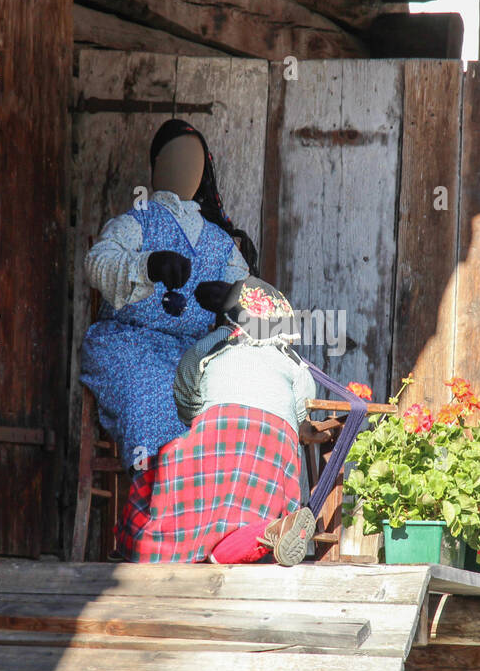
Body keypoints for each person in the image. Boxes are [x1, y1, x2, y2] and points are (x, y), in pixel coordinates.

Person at [81, 120, 257, 471]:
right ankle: (158, 500)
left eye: (194, 161)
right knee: (156, 395)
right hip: (128, 344)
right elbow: (97, 263)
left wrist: (231, 301)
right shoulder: (138, 222)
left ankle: (211, 509)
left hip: (193, 355)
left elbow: (259, 310)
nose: (185, 167)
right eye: (177, 158)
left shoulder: (220, 244)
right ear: (157, 164)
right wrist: (149, 265)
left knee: (229, 401)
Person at [115, 277, 321, 566]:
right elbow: (303, 407)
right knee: (234, 535)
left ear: (228, 320)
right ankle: (272, 531)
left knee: (155, 479)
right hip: (275, 453)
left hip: (217, 437)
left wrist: (194, 417)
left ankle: (146, 550)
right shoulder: (291, 360)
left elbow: (186, 388)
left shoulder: (215, 343)